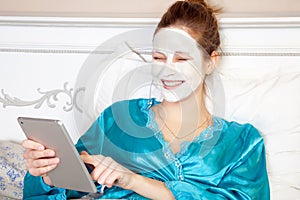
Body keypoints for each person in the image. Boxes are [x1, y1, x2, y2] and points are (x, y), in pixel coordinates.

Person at [22, 0, 270, 199]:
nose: (167, 70)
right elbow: (65, 184)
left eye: (182, 59)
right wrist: (47, 175)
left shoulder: (243, 143)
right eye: (159, 57)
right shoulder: (117, 120)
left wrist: (133, 180)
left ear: (211, 61)